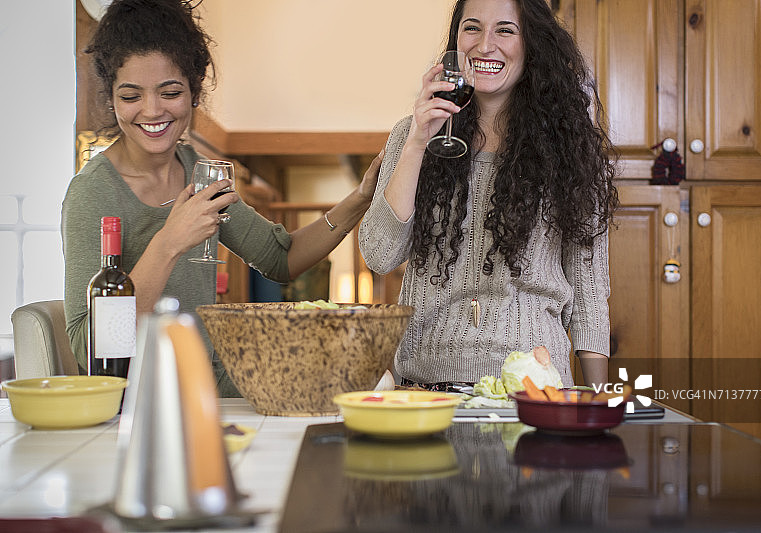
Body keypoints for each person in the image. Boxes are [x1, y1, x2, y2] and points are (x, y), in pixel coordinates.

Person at [62, 0, 382, 396]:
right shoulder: (93, 192)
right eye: (131, 97)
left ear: (194, 92)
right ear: (111, 99)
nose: (152, 110)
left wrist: (362, 196)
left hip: (210, 385)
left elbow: (279, 258)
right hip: (144, 399)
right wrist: (169, 242)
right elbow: (87, 347)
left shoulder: (200, 171)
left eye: (170, 92)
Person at [359, 0, 617, 390]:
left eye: (505, 30)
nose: (485, 45)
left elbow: (589, 296)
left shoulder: (571, 150)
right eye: (472, 28)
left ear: (532, 42)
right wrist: (416, 141)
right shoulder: (410, 135)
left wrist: (599, 399)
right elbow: (379, 255)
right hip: (425, 388)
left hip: (533, 391)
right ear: (455, 40)